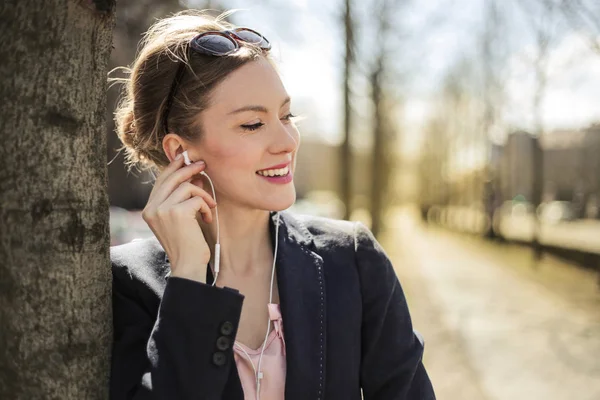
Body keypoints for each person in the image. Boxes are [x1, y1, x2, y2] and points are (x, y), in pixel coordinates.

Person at [109, 9, 435, 400]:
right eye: (253, 124)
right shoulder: (126, 284)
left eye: (287, 115)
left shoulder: (352, 259)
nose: (287, 142)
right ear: (180, 151)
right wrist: (189, 278)